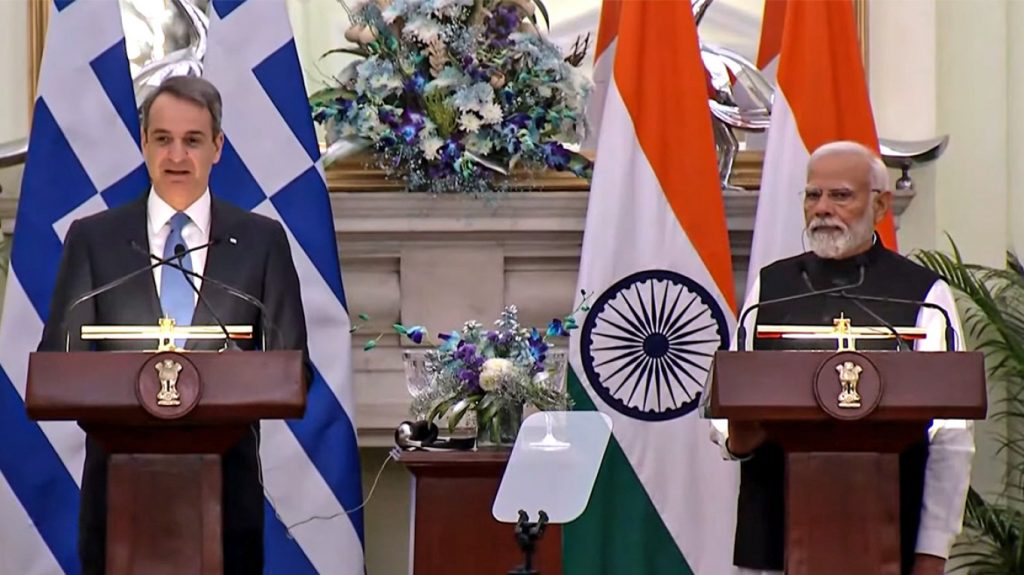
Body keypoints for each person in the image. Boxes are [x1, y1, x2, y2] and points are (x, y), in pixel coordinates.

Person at [38, 75, 308, 575]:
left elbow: (295, 371)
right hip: (117, 508)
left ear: (218, 147)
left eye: (193, 140)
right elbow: (59, 364)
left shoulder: (261, 242)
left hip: (227, 509)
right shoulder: (93, 240)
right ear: (144, 143)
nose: (177, 156)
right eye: (163, 139)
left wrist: (232, 376)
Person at [710, 141, 974, 575]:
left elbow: (950, 434)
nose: (822, 208)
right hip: (774, 533)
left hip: (890, 536)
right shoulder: (772, 287)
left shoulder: (925, 295)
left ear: (881, 205)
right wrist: (733, 439)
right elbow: (734, 395)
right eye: (813, 195)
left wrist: (932, 549)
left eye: (840, 195)